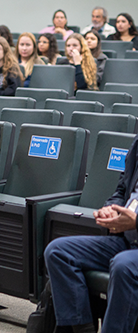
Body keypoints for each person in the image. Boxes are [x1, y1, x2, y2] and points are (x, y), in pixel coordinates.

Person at [44, 133, 138, 333]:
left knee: (123, 265)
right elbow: (122, 190)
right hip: (127, 240)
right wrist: (111, 209)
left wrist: (136, 222)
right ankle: (82, 327)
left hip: (132, 244)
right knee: (58, 251)